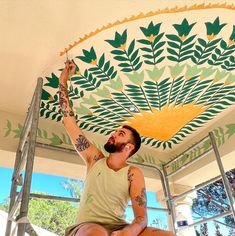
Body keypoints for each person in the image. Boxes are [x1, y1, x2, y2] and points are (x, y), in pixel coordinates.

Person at [59, 60, 176, 236]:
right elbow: (69, 123)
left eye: (120, 134)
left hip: (120, 228)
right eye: (115, 132)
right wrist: (63, 79)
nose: (112, 134)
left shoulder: (133, 173)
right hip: (87, 227)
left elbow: (141, 218)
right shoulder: (94, 159)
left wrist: (127, 232)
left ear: (129, 147)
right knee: (98, 234)